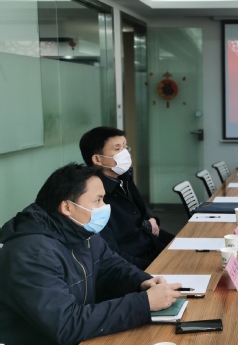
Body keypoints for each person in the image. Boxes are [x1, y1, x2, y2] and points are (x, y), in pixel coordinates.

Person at [0, 163, 183, 345]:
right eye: (98, 200)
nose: (105, 206)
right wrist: (143, 304)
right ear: (67, 207)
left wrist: (142, 282)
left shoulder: (81, 230)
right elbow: (66, 324)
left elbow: (112, 267)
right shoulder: (33, 253)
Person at [80, 126, 174, 270]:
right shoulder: (96, 197)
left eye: (125, 147)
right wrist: (154, 267)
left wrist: (151, 218)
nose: (125, 153)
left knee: (193, 249)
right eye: (117, 149)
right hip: (137, 264)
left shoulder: (123, 178)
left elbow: (138, 207)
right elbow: (112, 254)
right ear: (97, 159)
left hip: (150, 244)